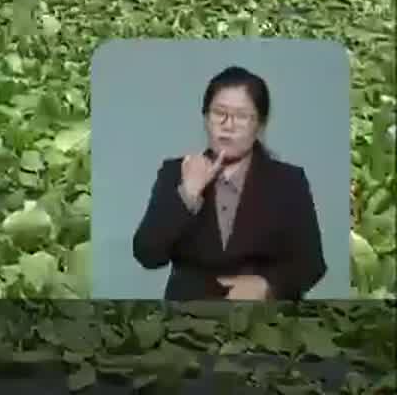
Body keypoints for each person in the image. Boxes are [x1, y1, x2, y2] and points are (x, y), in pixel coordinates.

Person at [130, 66, 326, 301]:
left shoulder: (288, 181)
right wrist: (188, 193)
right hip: (188, 323)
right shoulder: (176, 172)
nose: (228, 124)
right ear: (205, 117)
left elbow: (311, 264)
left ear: (260, 125)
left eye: (242, 116)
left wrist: (267, 286)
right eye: (219, 113)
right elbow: (147, 254)